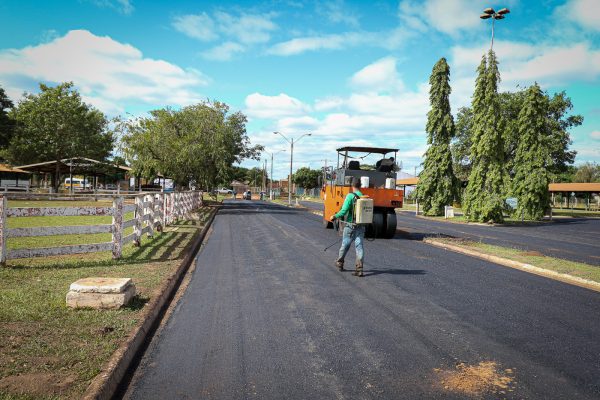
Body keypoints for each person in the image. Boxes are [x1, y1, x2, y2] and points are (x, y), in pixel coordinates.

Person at [329, 178, 365, 277]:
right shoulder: (364, 197)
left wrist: (334, 216)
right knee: (359, 246)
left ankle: (339, 262)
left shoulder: (350, 196)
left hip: (350, 225)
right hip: (361, 226)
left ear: (352, 186)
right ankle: (360, 269)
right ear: (360, 185)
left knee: (345, 243)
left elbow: (344, 211)